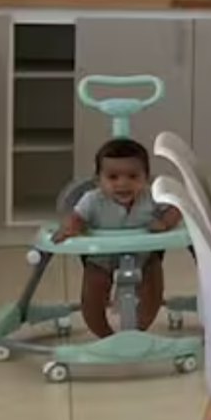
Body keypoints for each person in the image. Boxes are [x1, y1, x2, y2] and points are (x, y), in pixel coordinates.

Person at [52, 138, 182, 338]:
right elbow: (76, 217)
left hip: (144, 255)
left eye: (133, 176)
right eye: (113, 177)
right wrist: (71, 227)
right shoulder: (92, 199)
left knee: (153, 286)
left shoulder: (151, 196)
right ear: (98, 180)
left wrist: (165, 222)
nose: (123, 183)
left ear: (146, 178)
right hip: (101, 257)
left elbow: (175, 209)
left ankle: (138, 332)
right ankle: (105, 335)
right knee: (93, 291)